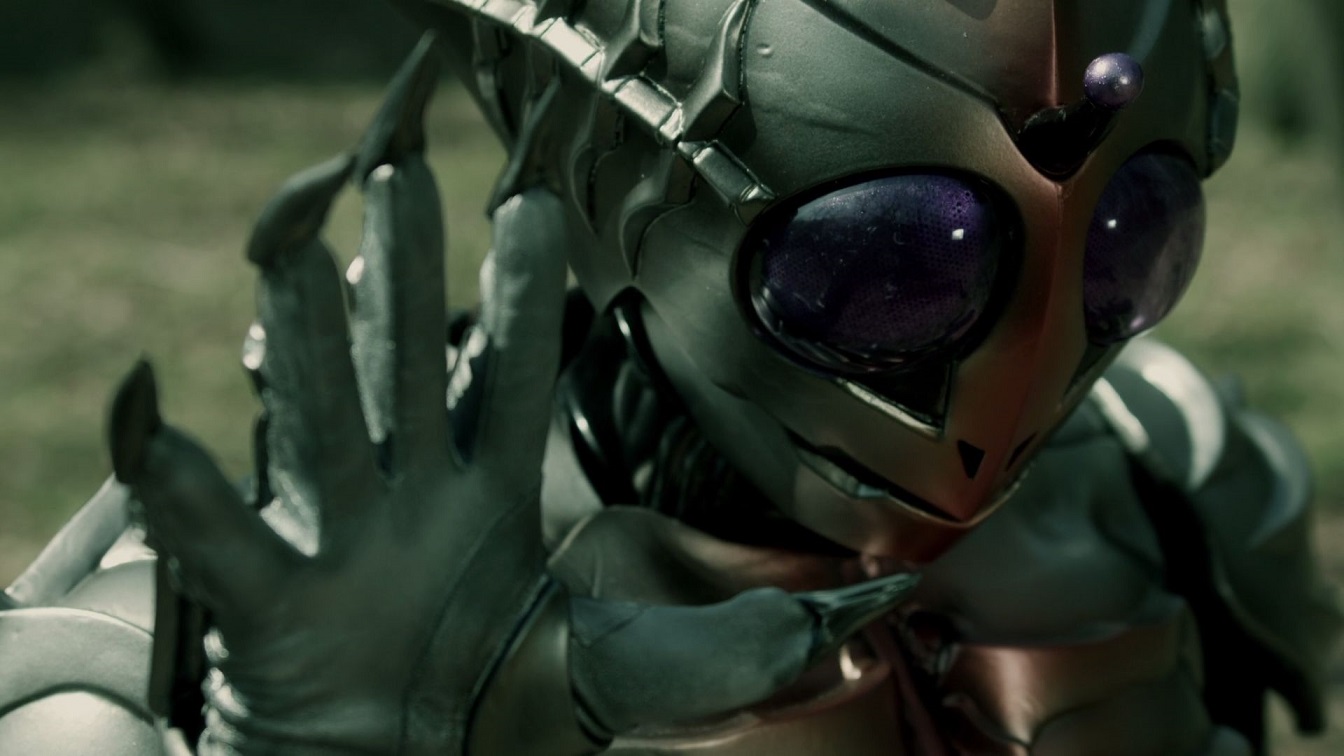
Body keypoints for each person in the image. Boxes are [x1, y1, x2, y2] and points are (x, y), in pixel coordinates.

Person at [1, 0, 1339, 753]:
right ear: (598, 166)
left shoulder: (1175, 486)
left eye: (1133, 240)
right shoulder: (181, 665)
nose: (1020, 368)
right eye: (885, 266)